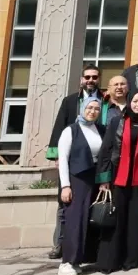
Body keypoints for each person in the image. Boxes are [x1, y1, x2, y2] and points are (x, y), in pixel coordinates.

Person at [47, 65, 104, 260]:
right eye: (87, 77)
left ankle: (87, 251)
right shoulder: (70, 101)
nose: (90, 80)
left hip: (95, 169)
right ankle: (61, 245)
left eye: (94, 77)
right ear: (81, 79)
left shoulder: (105, 100)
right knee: (66, 208)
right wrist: (56, 155)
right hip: (74, 163)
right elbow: (59, 126)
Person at [95, 90, 138, 273]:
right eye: (136, 100)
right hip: (118, 178)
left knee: (134, 220)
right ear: (129, 102)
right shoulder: (117, 122)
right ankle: (113, 259)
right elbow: (106, 150)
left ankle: (131, 260)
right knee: (118, 219)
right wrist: (104, 179)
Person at [56, 96, 104, 275]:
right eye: (89, 107)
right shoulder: (71, 130)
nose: (92, 111)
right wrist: (65, 186)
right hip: (76, 179)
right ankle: (67, 261)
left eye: (96, 109)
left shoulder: (100, 129)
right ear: (83, 109)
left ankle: (80, 259)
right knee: (75, 220)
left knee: (88, 221)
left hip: (94, 179)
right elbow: (63, 160)